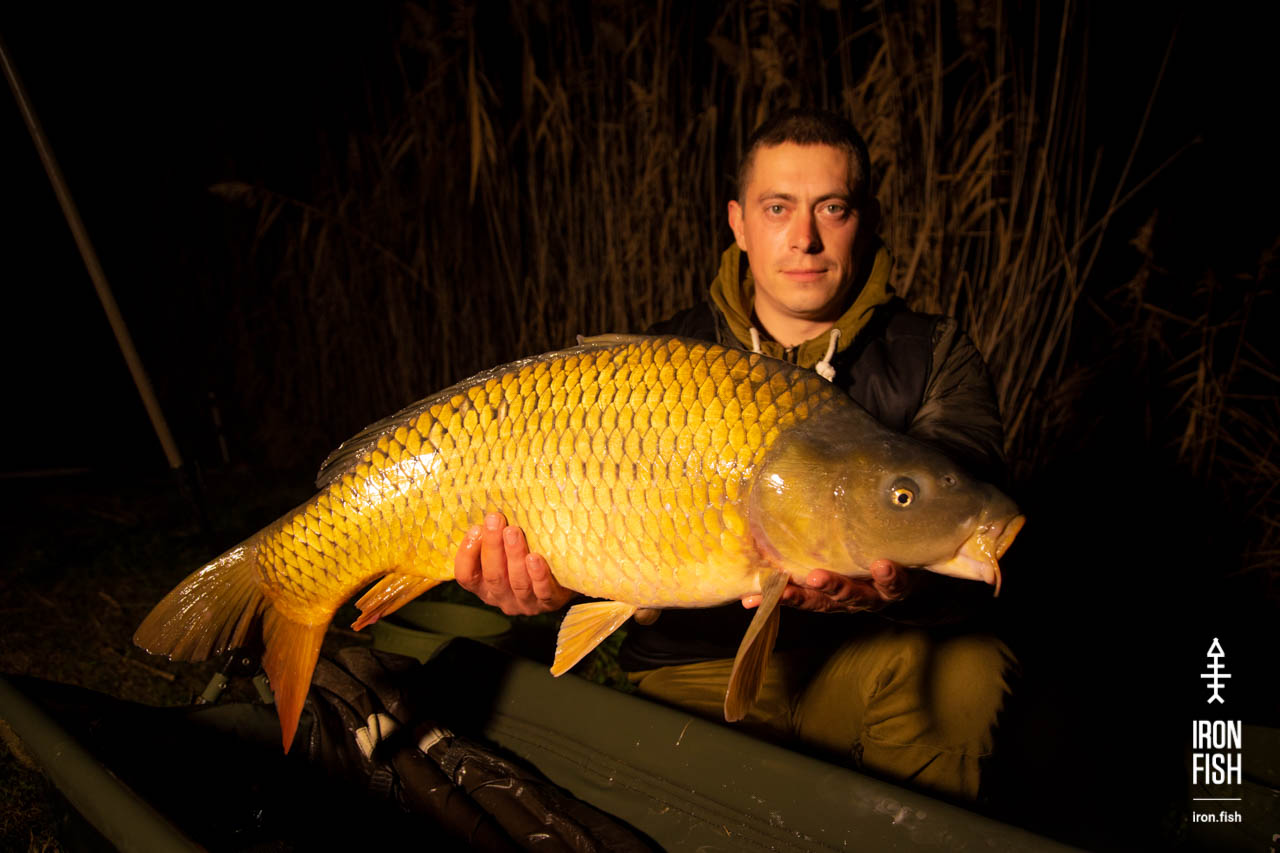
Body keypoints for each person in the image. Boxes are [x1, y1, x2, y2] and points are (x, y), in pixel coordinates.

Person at [453, 108, 1014, 802]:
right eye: (777, 208)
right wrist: (551, 582)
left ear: (865, 220)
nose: (804, 237)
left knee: (965, 671)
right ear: (739, 223)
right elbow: (587, 521)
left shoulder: (933, 353)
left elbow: (960, 504)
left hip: (866, 658)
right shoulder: (661, 362)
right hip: (694, 665)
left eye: (831, 208)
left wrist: (899, 588)